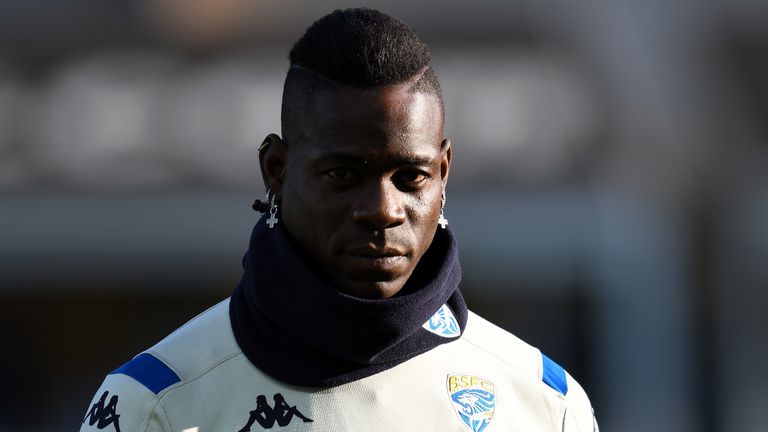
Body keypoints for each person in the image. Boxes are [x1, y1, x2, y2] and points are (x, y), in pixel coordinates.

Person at [80, 8, 597, 432]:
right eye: (343, 174)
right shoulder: (155, 404)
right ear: (276, 172)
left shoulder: (544, 405)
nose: (382, 209)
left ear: (444, 173)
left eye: (411, 177)